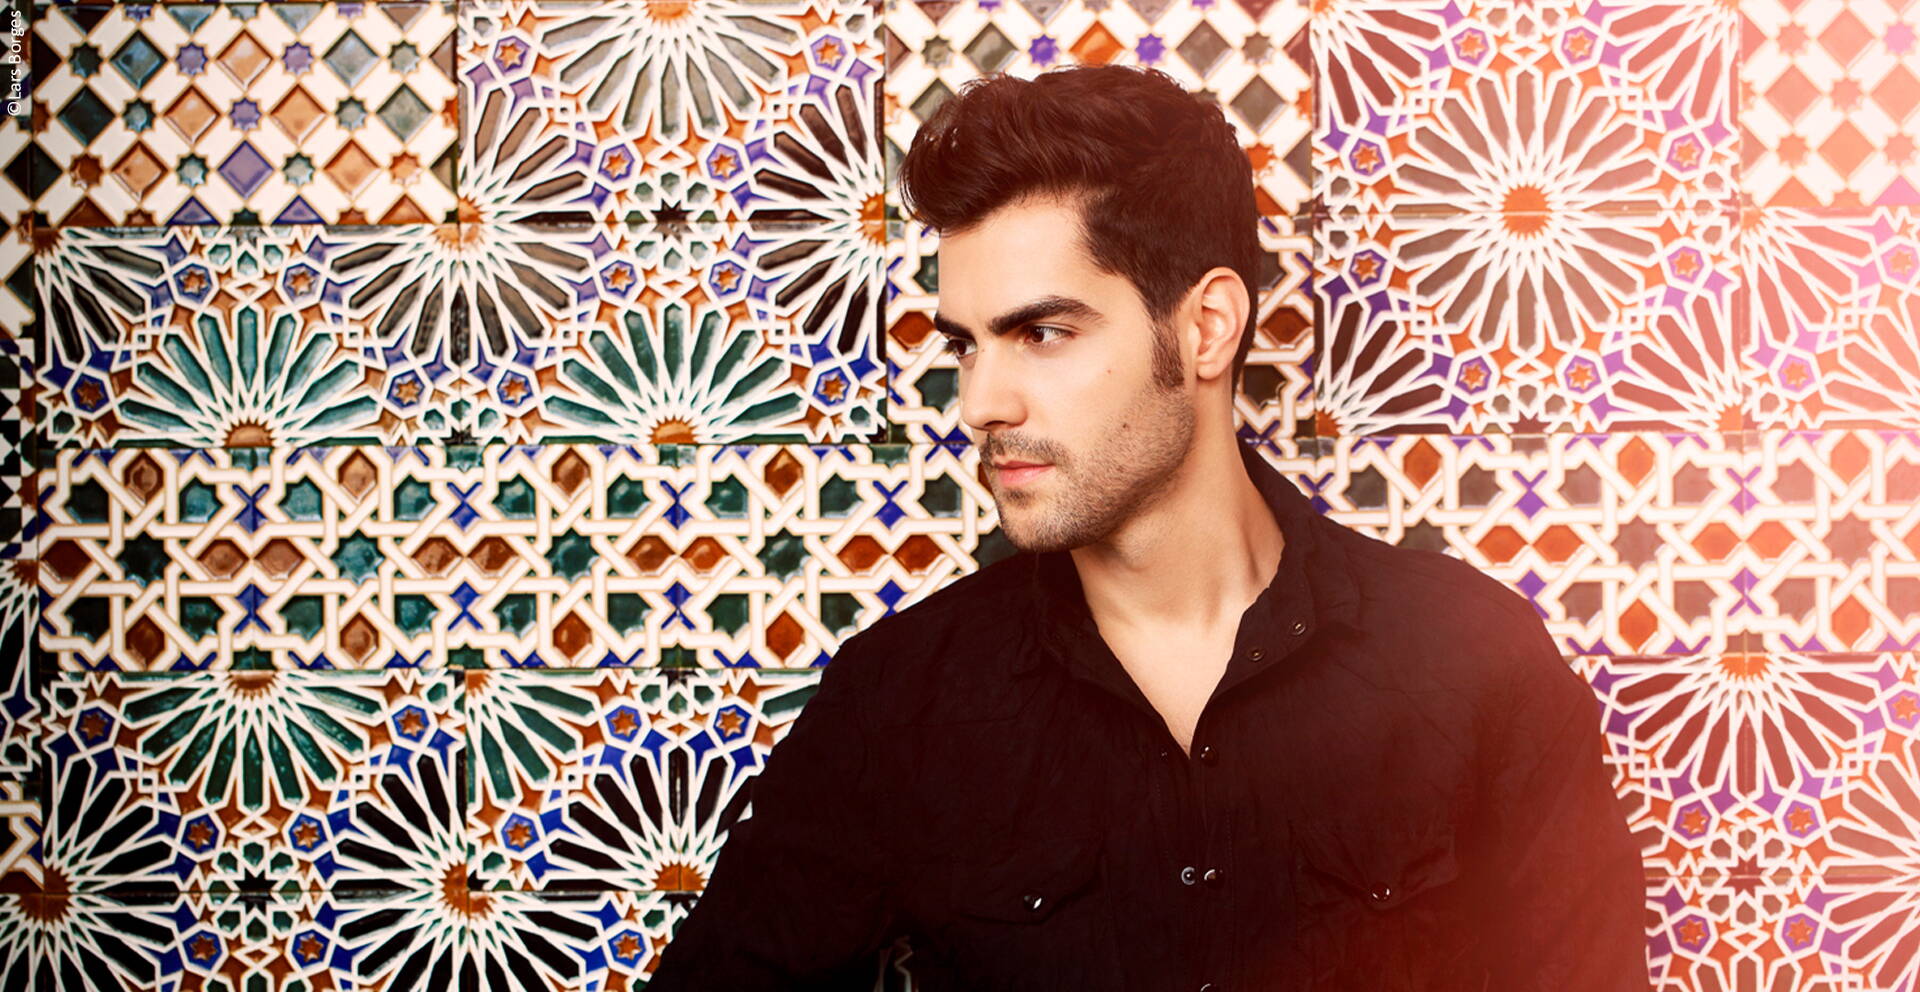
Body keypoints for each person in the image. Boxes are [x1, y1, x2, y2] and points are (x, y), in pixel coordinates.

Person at [646, 64, 1649, 991]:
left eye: (1043, 332)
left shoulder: (1473, 661)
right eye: (968, 345)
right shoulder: (903, 703)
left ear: (1206, 327)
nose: (981, 402)